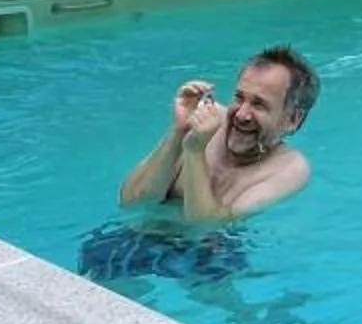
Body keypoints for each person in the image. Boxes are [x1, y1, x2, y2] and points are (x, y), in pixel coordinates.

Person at [114, 47, 317, 222]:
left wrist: (195, 151)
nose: (242, 114)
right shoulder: (207, 119)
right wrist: (178, 132)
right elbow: (133, 202)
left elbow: (205, 228)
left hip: (210, 259)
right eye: (239, 98)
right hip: (137, 237)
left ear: (292, 119)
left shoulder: (290, 168)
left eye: (259, 104)